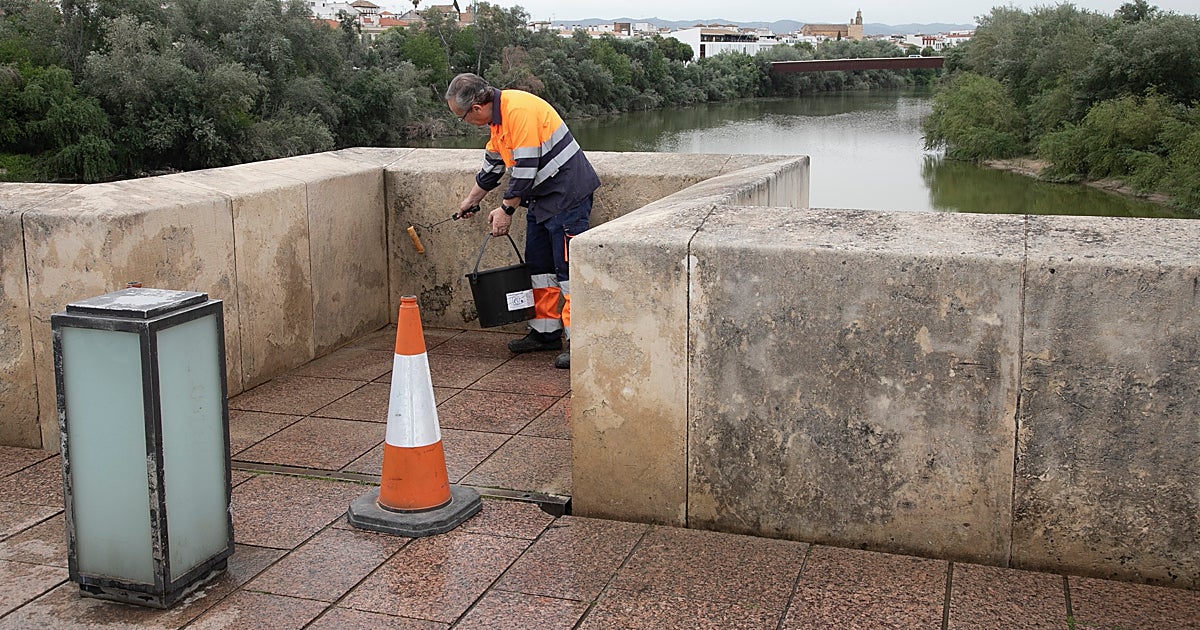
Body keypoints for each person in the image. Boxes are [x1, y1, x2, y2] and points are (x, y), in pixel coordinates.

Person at [445, 73, 600, 370]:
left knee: (568, 273)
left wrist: (505, 210)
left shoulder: (518, 111)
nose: (464, 122)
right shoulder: (497, 123)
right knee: (540, 269)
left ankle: (579, 344)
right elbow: (492, 169)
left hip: (567, 197)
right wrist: (471, 200)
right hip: (543, 201)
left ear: (477, 108)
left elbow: (526, 170)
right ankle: (545, 334)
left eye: (461, 117)